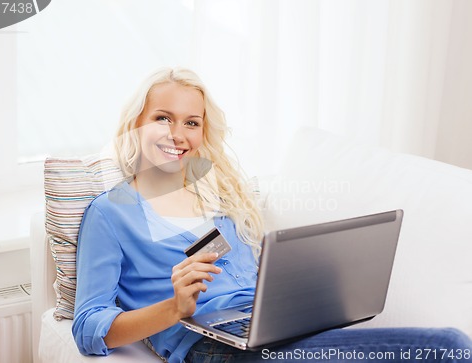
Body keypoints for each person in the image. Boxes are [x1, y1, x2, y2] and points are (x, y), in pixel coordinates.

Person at [72, 67, 472, 363]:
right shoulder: (111, 213)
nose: (177, 134)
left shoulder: (221, 196)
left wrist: (317, 287)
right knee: (449, 348)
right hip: (214, 348)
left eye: (191, 123)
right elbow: (88, 327)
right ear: (137, 124)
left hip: (278, 331)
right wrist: (175, 307)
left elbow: (256, 283)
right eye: (163, 118)